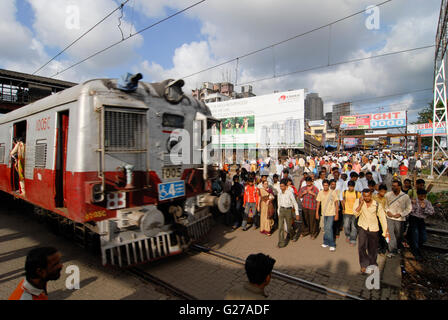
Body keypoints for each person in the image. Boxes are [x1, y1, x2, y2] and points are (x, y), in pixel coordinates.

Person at [354, 189, 389, 274]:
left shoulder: (377, 204)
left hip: (374, 229)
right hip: (362, 227)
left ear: (371, 195)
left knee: (372, 248)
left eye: (368, 196)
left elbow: (382, 218)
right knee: (361, 247)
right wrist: (361, 204)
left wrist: (385, 231)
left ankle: (372, 263)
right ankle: (363, 265)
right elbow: (355, 213)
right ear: (362, 196)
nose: (367, 198)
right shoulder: (358, 201)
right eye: (365, 196)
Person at [384, 180, 412, 258]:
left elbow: (409, 208)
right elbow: (385, 205)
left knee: (399, 235)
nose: (394, 187)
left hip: (400, 219)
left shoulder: (405, 196)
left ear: (400, 187)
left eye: (396, 186)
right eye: (393, 186)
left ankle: (398, 247)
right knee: (391, 235)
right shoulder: (388, 195)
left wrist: (401, 214)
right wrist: (387, 211)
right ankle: (392, 250)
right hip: (390, 218)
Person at [408, 189, 434, 260]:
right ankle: (416, 252)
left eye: (424, 195)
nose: (423, 197)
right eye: (421, 195)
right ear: (418, 195)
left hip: (421, 220)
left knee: (423, 237)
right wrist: (414, 205)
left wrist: (424, 208)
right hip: (414, 219)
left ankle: (416, 247)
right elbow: (410, 211)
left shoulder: (427, 202)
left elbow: (431, 212)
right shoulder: (414, 201)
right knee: (415, 235)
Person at [316, 180, 339, 252]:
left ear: (329, 185)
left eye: (326, 185)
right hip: (324, 213)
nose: (325, 186)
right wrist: (317, 213)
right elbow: (318, 203)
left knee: (329, 228)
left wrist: (337, 214)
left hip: (331, 213)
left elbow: (336, 203)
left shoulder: (333, 192)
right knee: (325, 228)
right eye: (324, 185)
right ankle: (325, 241)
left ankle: (332, 244)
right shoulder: (320, 192)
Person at [277, 179, 300, 248]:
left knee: (289, 227)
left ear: (286, 186)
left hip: (288, 210)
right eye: (280, 186)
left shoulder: (290, 193)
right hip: (281, 210)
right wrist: (278, 212)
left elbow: (295, 203)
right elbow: (279, 203)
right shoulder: (279, 193)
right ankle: (281, 243)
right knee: (280, 227)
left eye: (282, 186)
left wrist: (297, 213)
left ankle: (292, 234)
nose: (281, 188)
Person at [342, 181, 361, 246]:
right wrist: (343, 209)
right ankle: (348, 235)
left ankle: (353, 240)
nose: (351, 188)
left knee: (354, 226)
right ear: (348, 186)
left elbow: (360, 202)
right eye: (350, 186)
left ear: (354, 186)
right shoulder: (345, 192)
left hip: (354, 212)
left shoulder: (357, 193)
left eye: (352, 186)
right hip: (347, 211)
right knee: (346, 225)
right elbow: (343, 201)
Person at [373, 184, 389, 254]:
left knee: (383, 232)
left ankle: (383, 248)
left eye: (384, 192)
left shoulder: (385, 199)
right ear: (378, 191)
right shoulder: (374, 197)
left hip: (382, 218)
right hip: (375, 217)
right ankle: (377, 247)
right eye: (382, 191)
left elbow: (387, 207)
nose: (383, 193)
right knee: (375, 233)